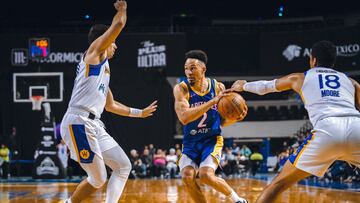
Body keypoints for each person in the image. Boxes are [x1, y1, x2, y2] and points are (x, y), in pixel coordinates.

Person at [229, 40, 360, 203]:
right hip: (357, 127)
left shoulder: (300, 78)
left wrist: (244, 86)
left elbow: (266, 86)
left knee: (278, 184)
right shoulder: (352, 83)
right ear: (333, 61)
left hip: (327, 129)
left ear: (312, 60)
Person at [60, 1, 158, 202]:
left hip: (94, 124)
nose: (116, 45)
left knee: (123, 166)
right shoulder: (94, 54)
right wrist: (122, 9)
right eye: (112, 41)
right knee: (98, 179)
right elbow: (118, 25)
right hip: (79, 121)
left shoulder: (103, 71)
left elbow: (111, 105)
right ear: (104, 41)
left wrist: (140, 112)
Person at [173, 50, 248, 203]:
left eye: (192, 68)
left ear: (203, 69)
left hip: (211, 140)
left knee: (206, 175)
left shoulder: (218, 87)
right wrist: (212, 102)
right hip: (191, 142)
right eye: (186, 68)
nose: (188, 72)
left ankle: (237, 200)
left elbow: (222, 121)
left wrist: (235, 118)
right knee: (187, 176)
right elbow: (184, 118)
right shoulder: (182, 89)